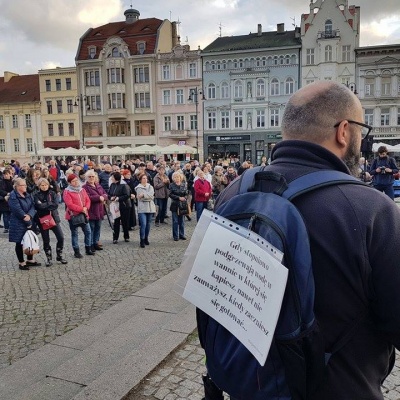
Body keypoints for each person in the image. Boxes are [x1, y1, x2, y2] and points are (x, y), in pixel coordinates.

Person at [210, 81, 400, 399]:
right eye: (362, 131)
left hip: (250, 385)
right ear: (344, 131)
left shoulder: (234, 192)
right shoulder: (373, 210)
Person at [33, 178, 67, 266]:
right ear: (39, 186)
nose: (44, 187)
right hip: (42, 219)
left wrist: (45, 205)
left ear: (48, 185)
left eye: (46, 185)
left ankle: (59, 255)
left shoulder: (52, 193)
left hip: (54, 218)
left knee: (61, 237)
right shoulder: (36, 195)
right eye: (42, 185)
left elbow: (55, 205)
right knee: (46, 240)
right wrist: (49, 204)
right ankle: (49, 258)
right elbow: (38, 206)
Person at [8, 178, 41, 270]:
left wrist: (30, 215)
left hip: (29, 220)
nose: (26, 187)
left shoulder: (28, 195)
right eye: (23, 185)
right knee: (19, 243)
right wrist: (26, 218)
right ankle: (21, 262)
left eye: (25, 185)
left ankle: (30, 260)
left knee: (30, 240)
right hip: (18, 223)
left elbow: (33, 206)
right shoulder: (13, 196)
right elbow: (17, 210)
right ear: (17, 186)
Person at [63, 173, 94, 258]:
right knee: (75, 233)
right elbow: (70, 204)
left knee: (88, 231)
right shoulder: (67, 191)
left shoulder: (82, 189)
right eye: (73, 181)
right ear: (69, 182)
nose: (76, 182)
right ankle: (76, 251)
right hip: (73, 215)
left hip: (84, 214)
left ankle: (88, 248)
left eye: (76, 180)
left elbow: (88, 200)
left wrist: (86, 208)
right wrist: (81, 209)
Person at [83, 170, 108, 251]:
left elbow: (105, 194)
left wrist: (103, 197)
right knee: (91, 228)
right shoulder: (84, 187)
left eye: (92, 176)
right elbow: (87, 197)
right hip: (91, 210)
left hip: (100, 210)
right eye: (89, 177)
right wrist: (98, 197)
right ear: (86, 178)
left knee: (98, 227)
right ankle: (90, 245)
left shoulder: (98, 185)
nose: (91, 178)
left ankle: (95, 242)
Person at [108, 172, 131, 244]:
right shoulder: (112, 185)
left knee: (125, 222)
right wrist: (110, 197)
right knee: (116, 222)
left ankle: (126, 236)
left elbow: (127, 195)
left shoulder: (124, 185)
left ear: (116, 178)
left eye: (112, 177)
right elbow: (108, 193)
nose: (111, 178)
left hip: (124, 206)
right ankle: (115, 238)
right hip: (115, 206)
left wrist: (118, 198)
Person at [135, 173, 156, 248]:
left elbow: (152, 196)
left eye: (146, 178)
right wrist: (146, 196)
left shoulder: (150, 186)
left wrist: (144, 195)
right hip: (142, 208)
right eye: (143, 178)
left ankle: (146, 237)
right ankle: (142, 239)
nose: (145, 179)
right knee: (143, 224)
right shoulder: (138, 187)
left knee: (148, 224)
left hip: (150, 208)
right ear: (140, 179)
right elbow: (141, 198)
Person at [169, 171, 188, 241]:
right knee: (175, 221)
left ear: (180, 177)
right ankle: (175, 235)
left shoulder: (184, 184)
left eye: (178, 177)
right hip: (175, 204)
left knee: (182, 221)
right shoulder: (171, 185)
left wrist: (185, 197)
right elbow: (170, 194)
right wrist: (178, 197)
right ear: (173, 178)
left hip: (182, 205)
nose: (177, 178)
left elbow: (186, 193)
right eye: (175, 177)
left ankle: (181, 234)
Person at [0, 168, 14, 233]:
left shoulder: (13, 181)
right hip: (4, 200)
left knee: (11, 215)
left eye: (7, 174)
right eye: (4, 174)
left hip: (12, 200)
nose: (5, 176)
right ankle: (6, 227)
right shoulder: (1, 182)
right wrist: (7, 194)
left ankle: (11, 226)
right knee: (5, 215)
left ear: (10, 174)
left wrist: (10, 194)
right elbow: (1, 190)